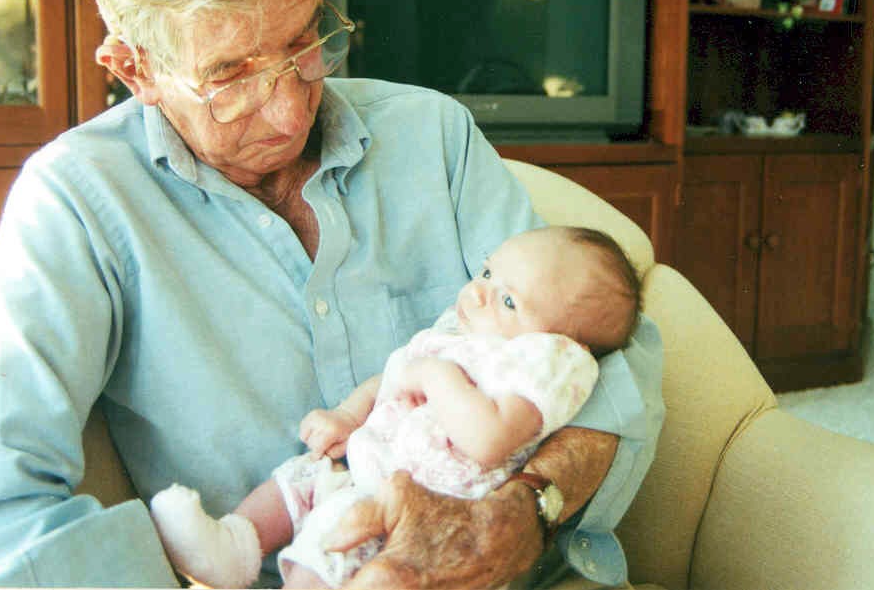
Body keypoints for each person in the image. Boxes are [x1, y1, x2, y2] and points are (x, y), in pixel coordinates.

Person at [0, 0, 664, 588]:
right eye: (230, 76)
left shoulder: (433, 135)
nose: (290, 113)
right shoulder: (80, 201)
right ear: (136, 69)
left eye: (305, 43)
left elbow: (614, 355)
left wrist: (524, 508)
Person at [150, 225, 640, 588]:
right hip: (368, 470)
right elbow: (393, 375)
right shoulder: (464, 333)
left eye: (508, 300)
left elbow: (489, 440)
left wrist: (436, 375)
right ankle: (233, 546)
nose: (478, 292)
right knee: (297, 479)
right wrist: (348, 416)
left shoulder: (539, 364)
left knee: (329, 552)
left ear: (561, 342)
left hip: (419, 511)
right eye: (488, 272)